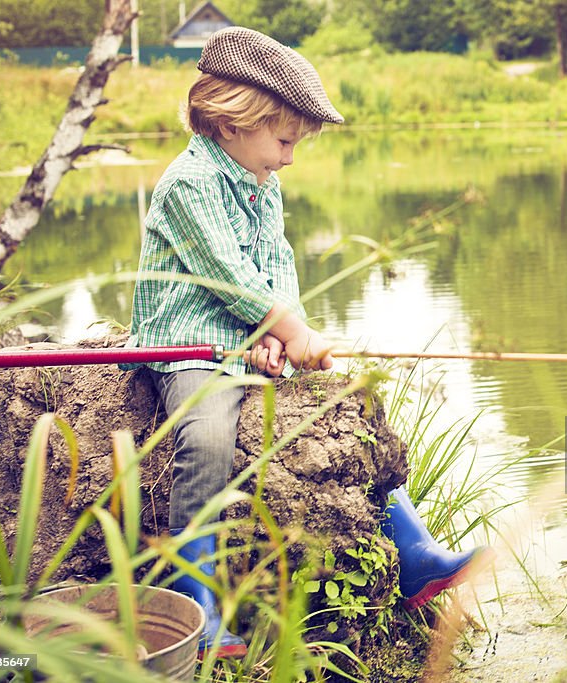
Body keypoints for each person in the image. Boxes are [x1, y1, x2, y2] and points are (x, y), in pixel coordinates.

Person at [125, 27, 485, 659]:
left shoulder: (262, 182)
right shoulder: (189, 184)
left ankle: (416, 553)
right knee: (207, 439)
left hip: (248, 340)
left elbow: (276, 268)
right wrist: (287, 331)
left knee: (349, 409)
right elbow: (228, 277)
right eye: (284, 139)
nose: (290, 156)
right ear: (236, 120)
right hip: (191, 349)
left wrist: (280, 337)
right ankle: (197, 606)